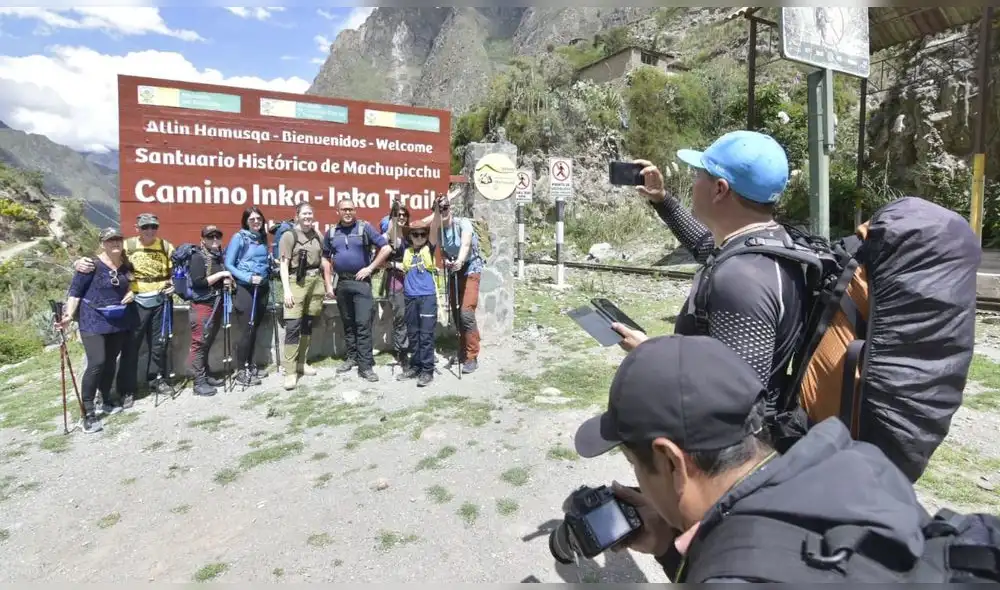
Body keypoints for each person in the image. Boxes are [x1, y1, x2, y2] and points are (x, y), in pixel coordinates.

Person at [572, 334, 928, 583]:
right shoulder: (856, 465)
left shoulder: (739, 575)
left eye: (634, 463)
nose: (638, 477)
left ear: (670, 461)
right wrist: (668, 546)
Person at [617, 131, 807, 439]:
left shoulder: (742, 280)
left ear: (720, 189)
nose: (693, 182)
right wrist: (662, 200)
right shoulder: (769, 243)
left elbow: (736, 402)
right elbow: (707, 246)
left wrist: (650, 353)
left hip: (724, 464)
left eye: (698, 175)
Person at [73, 212, 176, 405]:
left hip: (161, 300)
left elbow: (176, 268)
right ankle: (127, 390)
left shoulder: (165, 246)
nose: (150, 231)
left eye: (154, 227)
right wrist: (78, 263)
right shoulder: (126, 245)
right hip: (135, 301)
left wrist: (173, 284)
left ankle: (156, 380)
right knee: (131, 348)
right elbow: (103, 259)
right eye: (145, 227)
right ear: (138, 228)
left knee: (159, 345)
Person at [59, 228, 138, 433]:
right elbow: (75, 292)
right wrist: (68, 315)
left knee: (112, 360)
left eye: (118, 240)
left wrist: (131, 293)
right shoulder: (90, 265)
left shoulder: (126, 264)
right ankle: (88, 412)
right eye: (110, 240)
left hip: (117, 319)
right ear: (102, 243)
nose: (115, 244)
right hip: (92, 320)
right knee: (97, 362)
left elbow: (129, 284)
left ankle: (106, 398)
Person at [322, 198, 391, 382]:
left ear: (355, 210)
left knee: (362, 324)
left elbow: (385, 248)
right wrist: (328, 285)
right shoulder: (331, 233)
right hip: (342, 284)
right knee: (348, 323)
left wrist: (370, 268)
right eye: (344, 209)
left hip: (362, 283)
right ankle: (352, 357)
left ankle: (366, 366)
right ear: (338, 211)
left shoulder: (364, 228)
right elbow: (325, 259)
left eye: (351, 209)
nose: (347, 212)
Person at [424, 196, 483, 374]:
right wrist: (435, 216)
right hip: (453, 270)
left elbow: (465, 244)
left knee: (466, 313)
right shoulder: (438, 227)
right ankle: (463, 350)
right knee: (456, 314)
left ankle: (472, 356)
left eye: (445, 208)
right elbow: (432, 242)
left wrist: (459, 260)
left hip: (470, 268)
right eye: (438, 209)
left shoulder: (462, 223)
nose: (443, 211)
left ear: (451, 208)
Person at [278, 202, 325, 391]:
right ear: (296, 215)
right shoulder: (289, 236)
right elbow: (283, 264)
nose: (307, 217)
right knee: (292, 326)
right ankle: (290, 371)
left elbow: (323, 258)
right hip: (296, 282)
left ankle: (301, 363)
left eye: (310, 213)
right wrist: (287, 290)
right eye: (304, 213)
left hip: (315, 281)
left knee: (307, 323)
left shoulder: (317, 235)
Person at [224, 206, 271, 387]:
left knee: (255, 327)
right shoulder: (239, 238)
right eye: (252, 219)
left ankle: (250, 364)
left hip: (262, 287)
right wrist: (248, 277)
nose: (256, 222)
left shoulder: (261, 238)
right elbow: (229, 264)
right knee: (246, 329)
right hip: (245, 288)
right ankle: (240, 370)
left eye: (258, 219)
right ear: (246, 221)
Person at [187, 225, 232, 397]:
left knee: (207, 341)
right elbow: (199, 282)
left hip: (216, 304)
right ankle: (198, 382)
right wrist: (221, 275)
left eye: (217, 237)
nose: (214, 240)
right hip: (202, 306)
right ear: (203, 239)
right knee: (199, 343)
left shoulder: (217, 257)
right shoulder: (198, 257)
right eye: (210, 237)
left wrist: (227, 280)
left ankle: (206, 375)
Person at [394, 220, 438, 387]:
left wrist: (437, 211)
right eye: (415, 234)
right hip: (410, 296)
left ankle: (427, 370)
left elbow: (435, 226)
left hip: (427, 296)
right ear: (410, 237)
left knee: (426, 335)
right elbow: (394, 234)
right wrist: (394, 215)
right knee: (413, 334)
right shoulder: (407, 251)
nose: (419, 237)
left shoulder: (430, 249)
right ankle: (416, 366)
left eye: (422, 234)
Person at [380, 204, 411, 371]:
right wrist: (396, 264)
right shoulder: (386, 237)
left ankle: (411, 347)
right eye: (398, 214)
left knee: (411, 316)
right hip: (395, 282)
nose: (401, 217)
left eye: (404, 215)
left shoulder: (410, 235)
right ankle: (402, 351)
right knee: (401, 317)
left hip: (412, 282)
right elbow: (379, 261)